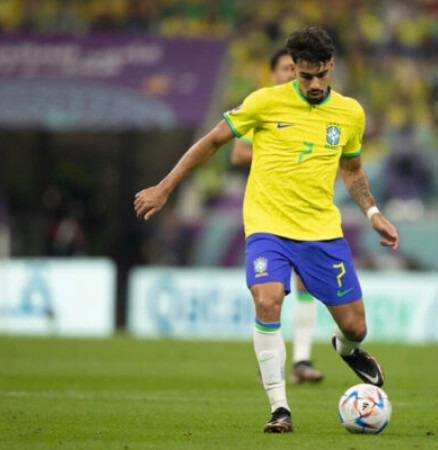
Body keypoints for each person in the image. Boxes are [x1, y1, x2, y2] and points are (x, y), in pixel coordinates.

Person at [134, 26, 399, 434]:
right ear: (293, 69)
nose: (313, 84)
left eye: (320, 76)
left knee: (355, 326)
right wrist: (165, 187)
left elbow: (352, 169)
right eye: (304, 76)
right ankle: (280, 408)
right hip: (267, 227)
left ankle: (345, 349)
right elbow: (212, 141)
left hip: (321, 232)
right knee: (268, 301)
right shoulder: (264, 102)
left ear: (332, 67)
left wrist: (373, 212)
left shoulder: (350, 113)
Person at [230, 47, 323, 385]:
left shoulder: (312, 110)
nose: (290, 74)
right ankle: (275, 364)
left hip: (307, 211)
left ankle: (301, 360)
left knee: (306, 285)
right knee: (268, 296)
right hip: (269, 213)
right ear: (274, 74)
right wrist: (284, 147)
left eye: (294, 68)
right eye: (285, 69)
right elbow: (238, 153)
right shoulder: (266, 107)